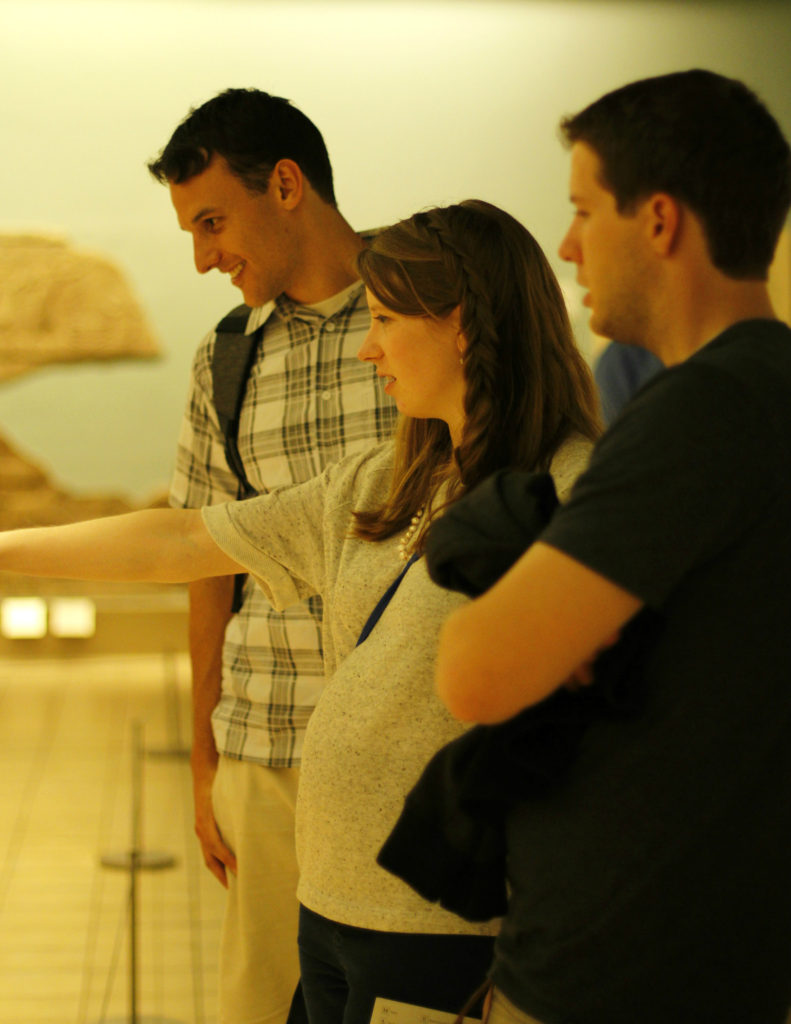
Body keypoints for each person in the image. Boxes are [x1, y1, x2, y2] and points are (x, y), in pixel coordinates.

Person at [0, 200, 600, 1024]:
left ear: (463, 327)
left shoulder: (574, 494)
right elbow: (179, 544)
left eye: (386, 319)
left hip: (440, 923)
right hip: (331, 903)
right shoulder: (382, 483)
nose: (370, 346)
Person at [434, 70, 791, 1024]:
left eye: (584, 209)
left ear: (660, 221)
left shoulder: (704, 410)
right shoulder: (764, 390)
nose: (567, 245)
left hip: (618, 973)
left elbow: (476, 672)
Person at [147, 89, 397, 1024]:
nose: (205, 256)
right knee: (263, 1004)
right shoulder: (225, 358)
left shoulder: (431, 313)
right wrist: (206, 760)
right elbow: (204, 559)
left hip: (404, 752)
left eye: (213, 221)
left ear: (286, 184)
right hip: (266, 747)